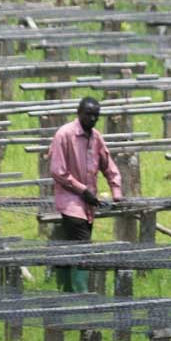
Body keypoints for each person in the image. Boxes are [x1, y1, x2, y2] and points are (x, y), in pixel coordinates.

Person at [48, 96, 122, 292]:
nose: (92, 119)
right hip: (71, 202)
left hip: (89, 204)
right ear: (79, 112)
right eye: (88, 114)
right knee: (83, 247)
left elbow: (108, 164)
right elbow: (58, 171)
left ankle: (65, 292)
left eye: (96, 116)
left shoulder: (95, 136)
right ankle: (81, 294)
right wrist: (82, 190)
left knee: (70, 248)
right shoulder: (64, 135)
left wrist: (116, 191)